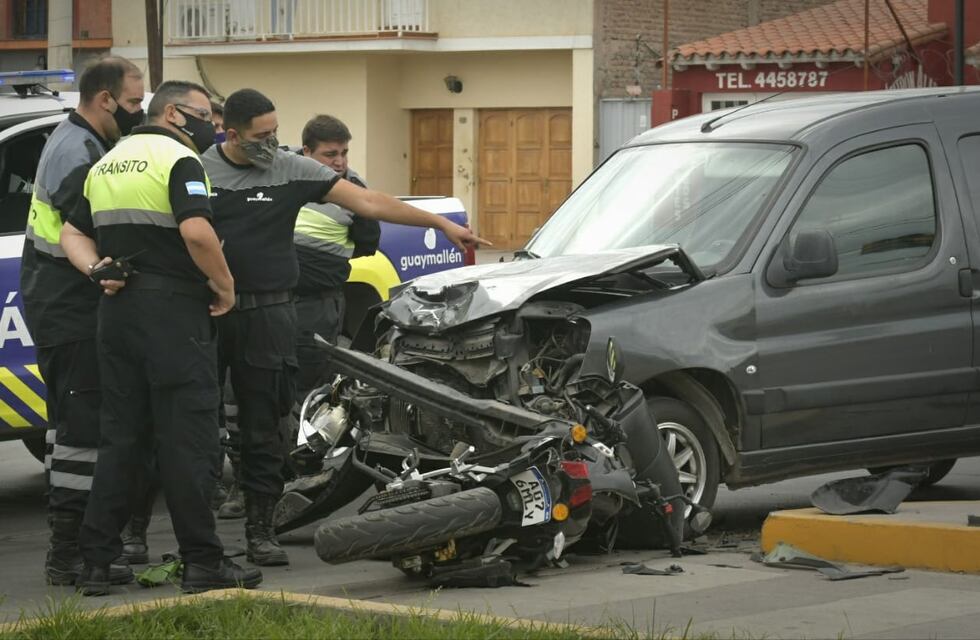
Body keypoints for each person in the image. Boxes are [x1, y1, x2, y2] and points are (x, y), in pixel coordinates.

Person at [201, 88, 488, 567]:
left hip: (269, 315)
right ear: (231, 135)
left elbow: (369, 202)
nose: (272, 143)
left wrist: (440, 224)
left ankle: (260, 531)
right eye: (262, 135)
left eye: (275, 132)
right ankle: (194, 540)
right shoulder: (197, 170)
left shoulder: (291, 169)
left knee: (264, 425)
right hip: (208, 313)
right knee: (193, 420)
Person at [60, 80, 261, 596]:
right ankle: (203, 562)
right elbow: (196, 232)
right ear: (173, 114)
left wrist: (97, 270)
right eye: (205, 116)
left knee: (121, 439)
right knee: (187, 440)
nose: (213, 127)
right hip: (172, 316)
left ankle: (97, 563)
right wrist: (226, 285)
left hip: (117, 313)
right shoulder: (179, 160)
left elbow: (71, 232)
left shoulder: (107, 163)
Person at [20, 56, 145, 587]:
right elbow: (96, 232)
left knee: (68, 430)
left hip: (60, 304)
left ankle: (73, 545)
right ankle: (68, 552)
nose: (138, 113)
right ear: (105, 99)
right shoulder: (79, 153)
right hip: (71, 308)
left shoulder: (77, 139)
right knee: (83, 432)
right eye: (133, 102)